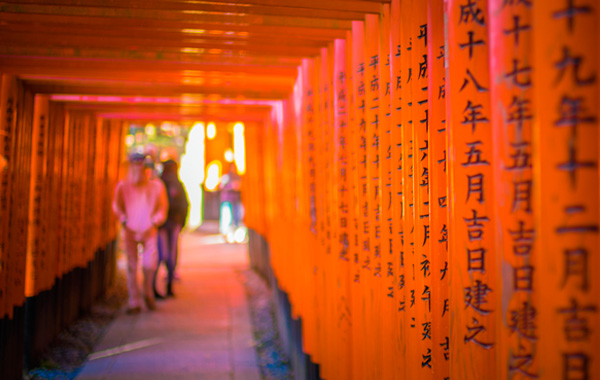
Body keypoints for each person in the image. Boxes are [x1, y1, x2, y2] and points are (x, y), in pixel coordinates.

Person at [112, 152, 169, 314]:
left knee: (149, 264)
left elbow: (162, 208)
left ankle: (148, 292)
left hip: (149, 229)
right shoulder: (123, 186)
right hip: (130, 229)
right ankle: (134, 300)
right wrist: (123, 219)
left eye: (140, 165)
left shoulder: (156, 186)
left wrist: (155, 221)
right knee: (131, 265)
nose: (138, 169)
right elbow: (117, 205)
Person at [154, 159, 189, 298]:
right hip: (174, 223)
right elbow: (185, 205)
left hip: (162, 224)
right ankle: (169, 285)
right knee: (171, 254)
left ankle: (155, 286)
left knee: (161, 253)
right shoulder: (177, 184)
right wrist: (182, 223)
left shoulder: (159, 182)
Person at [220, 162, 243, 233]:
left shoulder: (237, 177)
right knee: (227, 217)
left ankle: (235, 231)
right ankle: (227, 232)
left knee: (237, 217)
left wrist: (238, 187)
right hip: (227, 199)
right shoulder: (226, 177)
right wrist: (231, 186)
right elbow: (221, 186)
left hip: (236, 199)